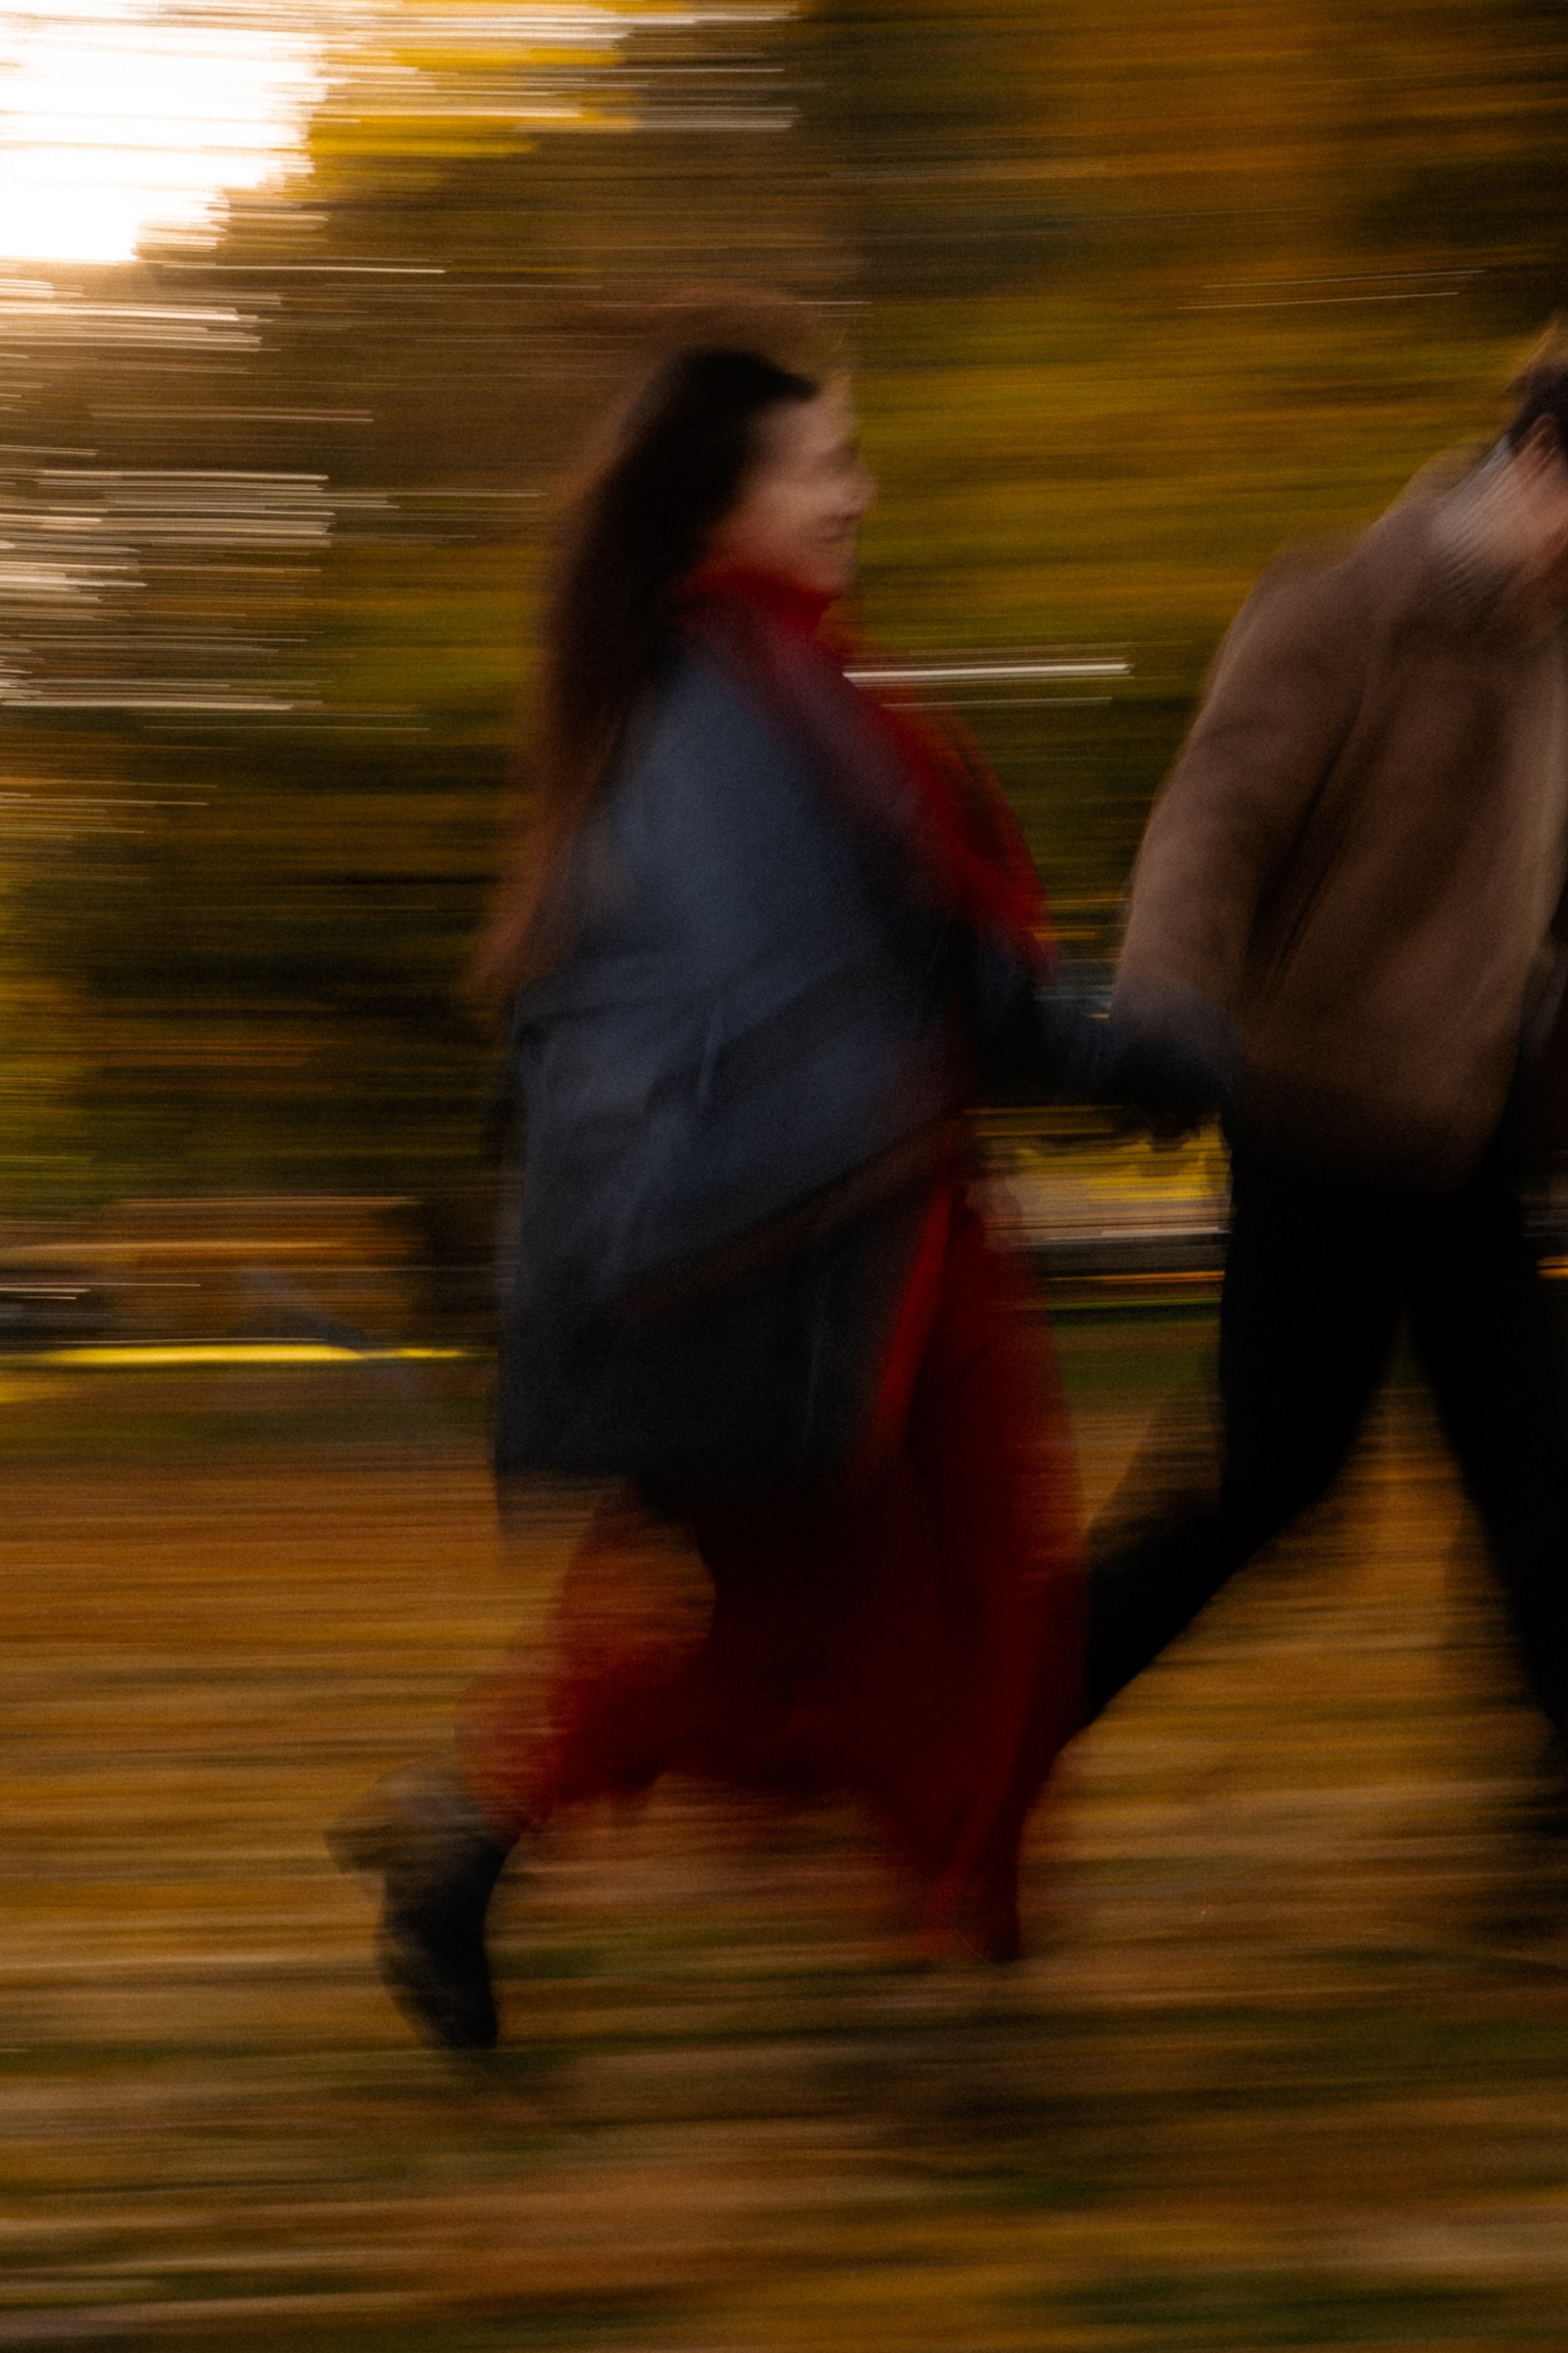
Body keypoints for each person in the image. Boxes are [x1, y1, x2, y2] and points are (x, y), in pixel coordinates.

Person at [335, 330, 1229, 2050]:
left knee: (877, 1629)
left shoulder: (733, 691)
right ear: (722, 498)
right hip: (836, 1248)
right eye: (824, 464)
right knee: (930, 1628)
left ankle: (509, 1835)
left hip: (823, 1238)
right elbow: (917, 984)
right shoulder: (751, 706)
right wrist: (1145, 1061)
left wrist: (1116, 1058)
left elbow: (886, 980)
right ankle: (949, 1973)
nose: (858, 492)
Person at [1084, 333, 1568, 1904]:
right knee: (1269, 1487)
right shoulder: (1343, 609)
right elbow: (1213, 819)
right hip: (1324, 1112)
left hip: (1482, 1125)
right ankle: (979, 1739)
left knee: (1537, 1480)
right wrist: (1167, 1010)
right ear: (1536, 455)